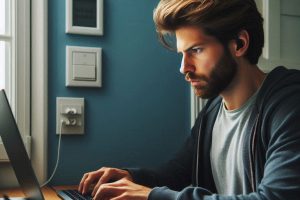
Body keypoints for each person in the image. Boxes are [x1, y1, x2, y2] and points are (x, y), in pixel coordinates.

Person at [78, 0, 300, 199]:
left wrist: (154, 197)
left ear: (239, 44)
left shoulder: (290, 103)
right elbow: (177, 172)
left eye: (196, 50)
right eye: (182, 54)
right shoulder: (212, 113)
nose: (184, 68)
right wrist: (131, 177)